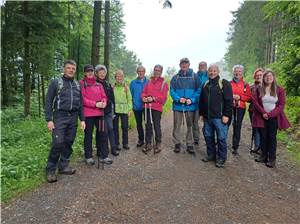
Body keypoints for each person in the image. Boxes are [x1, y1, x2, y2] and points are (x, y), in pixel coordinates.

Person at [44, 59, 85, 183]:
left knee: (68, 142)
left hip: (73, 117)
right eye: (69, 68)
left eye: (73, 68)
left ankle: (63, 166)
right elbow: (48, 101)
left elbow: (80, 104)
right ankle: (50, 170)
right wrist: (49, 119)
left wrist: (82, 119)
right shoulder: (56, 82)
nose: (71, 70)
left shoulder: (77, 84)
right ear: (64, 69)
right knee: (58, 143)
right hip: (60, 116)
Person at [252, 70, 290, 168]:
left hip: (274, 117)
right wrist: (263, 113)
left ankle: (272, 159)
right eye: (266, 76)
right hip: (261, 117)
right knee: (263, 137)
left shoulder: (279, 90)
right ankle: (263, 156)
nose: (268, 78)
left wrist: (271, 114)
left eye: (270, 76)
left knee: (272, 137)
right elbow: (255, 102)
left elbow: (281, 105)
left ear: (273, 78)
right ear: (264, 78)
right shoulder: (259, 89)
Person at [199, 64, 233, 168]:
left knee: (221, 138)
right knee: (208, 136)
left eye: (214, 71)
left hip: (220, 117)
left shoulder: (224, 83)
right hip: (208, 117)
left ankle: (221, 158)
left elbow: (229, 100)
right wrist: (201, 113)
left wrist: (226, 114)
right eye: (210, 71)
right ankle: (211, 155)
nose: (212, 73)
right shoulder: (205, 84)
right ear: (208, 72)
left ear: (218, 72)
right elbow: (202, 101)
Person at [80, 64, 113, 166]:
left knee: (103, 133)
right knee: (88, 135)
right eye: (87, 71)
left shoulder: (98, 84)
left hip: (100, 113)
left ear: (94, 72)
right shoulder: (81, 83)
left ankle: (104, 156)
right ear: (85, 73)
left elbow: (104, 96)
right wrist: (95, 104)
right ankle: (88, 156)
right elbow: (83, 99)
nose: (90, 72)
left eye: (91, 71)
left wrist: (103, 102)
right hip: (88, 114)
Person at [170, 58, 200, 154]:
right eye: (182, 63)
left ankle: (190, 144)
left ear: (189, 64)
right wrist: (178, 99)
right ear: (180, 65)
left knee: (190, 125)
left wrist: (191, 99)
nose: (184, 65)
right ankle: (177, 143)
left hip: (190, 105)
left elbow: (199, 90)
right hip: (178, 106)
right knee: (176, 125)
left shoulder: (195, 77)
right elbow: (172, 91)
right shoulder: (175, 77)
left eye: (186, 63)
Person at [141, 64, 169, 154]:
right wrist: (144, 98)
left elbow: (163, 97)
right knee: (147, 125)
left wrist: (153, 98)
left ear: (161, 72)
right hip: (147, 107)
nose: (157, 71)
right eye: (155, 70)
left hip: (156, 108)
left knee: (156, 126)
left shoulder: (164, 83)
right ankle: (148, 143)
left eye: (158, 70)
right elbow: (143, 92)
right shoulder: (149, 82)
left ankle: (158, 143)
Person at [95, 65, 119, 156]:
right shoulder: (95, 84)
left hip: (108, 111)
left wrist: (113, 110)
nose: (102, 74)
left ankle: (113, 148)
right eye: (100, 72)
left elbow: (112, 98)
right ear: (96, 73)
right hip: (98, 111)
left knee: (110, 128)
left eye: (103, 72)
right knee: (100, 130)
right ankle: (99, 149)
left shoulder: (108, 84)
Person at [230, 65, 251, 155]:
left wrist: (240, 97)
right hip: (229, 107)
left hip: (240, 108)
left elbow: (249, 97)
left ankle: (235, 146)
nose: (237, 73)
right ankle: (220, 142)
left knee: (237, 126)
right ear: (233, 72)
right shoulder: (229, 83)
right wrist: (232, 96)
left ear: (242, 73)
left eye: (239, 71)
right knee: (225, 125)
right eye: (236, 71)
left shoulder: (246, 84)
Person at [113, 70, 132, 150]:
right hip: (115, 110)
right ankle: (117, 144)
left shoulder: (126, 87)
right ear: (115, 77)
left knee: (124, 127)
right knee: (115, 127)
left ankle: (125, 143)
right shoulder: (112, 87)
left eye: (121, 76)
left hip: (124, 110)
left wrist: (130, 109)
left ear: (123, 77)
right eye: (118, 76)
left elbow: (129, 99)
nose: (119, 77)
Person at [130, 66, 148, 147]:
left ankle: (148, 140)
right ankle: (141, 140)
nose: (140, 73)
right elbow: (130, 95)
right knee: (139, 124)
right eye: (139, 71)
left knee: (147, 123)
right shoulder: (133, 83)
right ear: (137, 72)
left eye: (142, 71)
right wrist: (132, 105)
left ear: (144, 72)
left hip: (146, 106)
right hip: (136, 107)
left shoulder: (149, 82)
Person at [193, 61, 209, 145]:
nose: (202, 67)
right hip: (196, 102)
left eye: (204, 65)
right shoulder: (194, 76)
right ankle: (196, 138)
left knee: (207, 122)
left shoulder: (210, 75)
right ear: (198, 67)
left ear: (206, 67)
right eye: (200, 65)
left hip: (206, 103)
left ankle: (207, 138)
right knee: (195, 122)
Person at [248, 68, 264, 154]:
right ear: (254, 77)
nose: (258, 77)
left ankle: (263, 147)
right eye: (257, 75)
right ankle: (257, 146)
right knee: (255, 128)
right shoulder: (251, 87)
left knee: (263, 129)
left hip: (264, 111)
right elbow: (248, 99)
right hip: (253, 110)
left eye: (260, 75)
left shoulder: (268, 86)